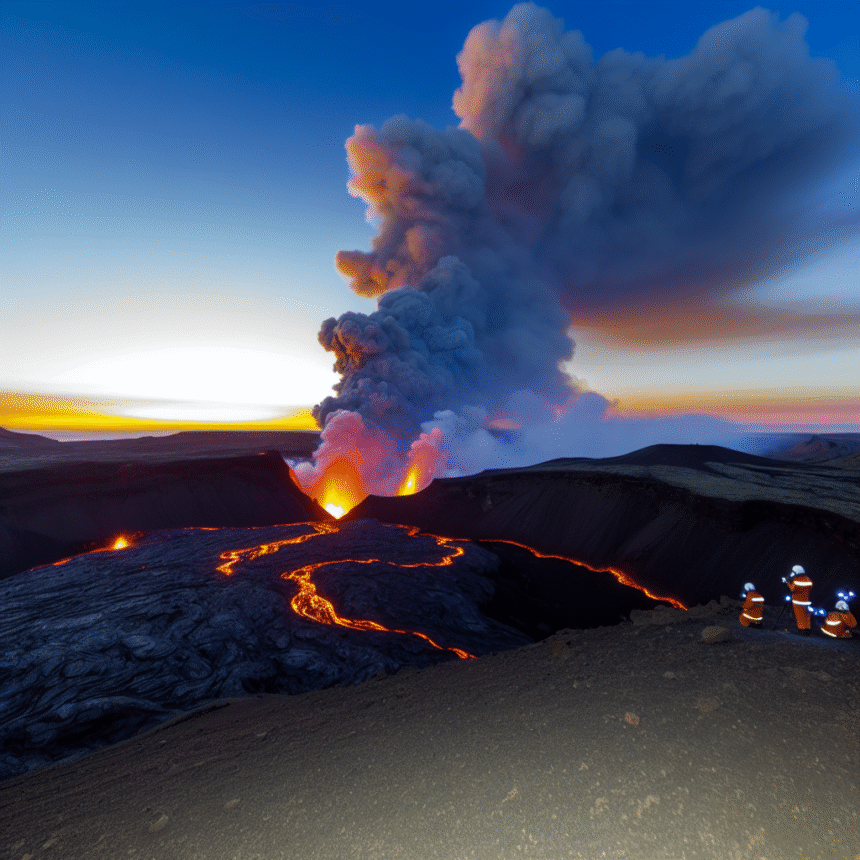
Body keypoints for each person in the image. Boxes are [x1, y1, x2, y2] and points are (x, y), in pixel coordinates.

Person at [784, 565, 813, 635]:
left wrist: (788, 582)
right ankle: (807, 630)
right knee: (806, 616)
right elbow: (810, 587)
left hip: (797, 602)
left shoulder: (796, 580)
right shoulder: (808, 579)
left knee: (799, 617)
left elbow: (792, 589)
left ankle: (801, 631)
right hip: (806, 601)